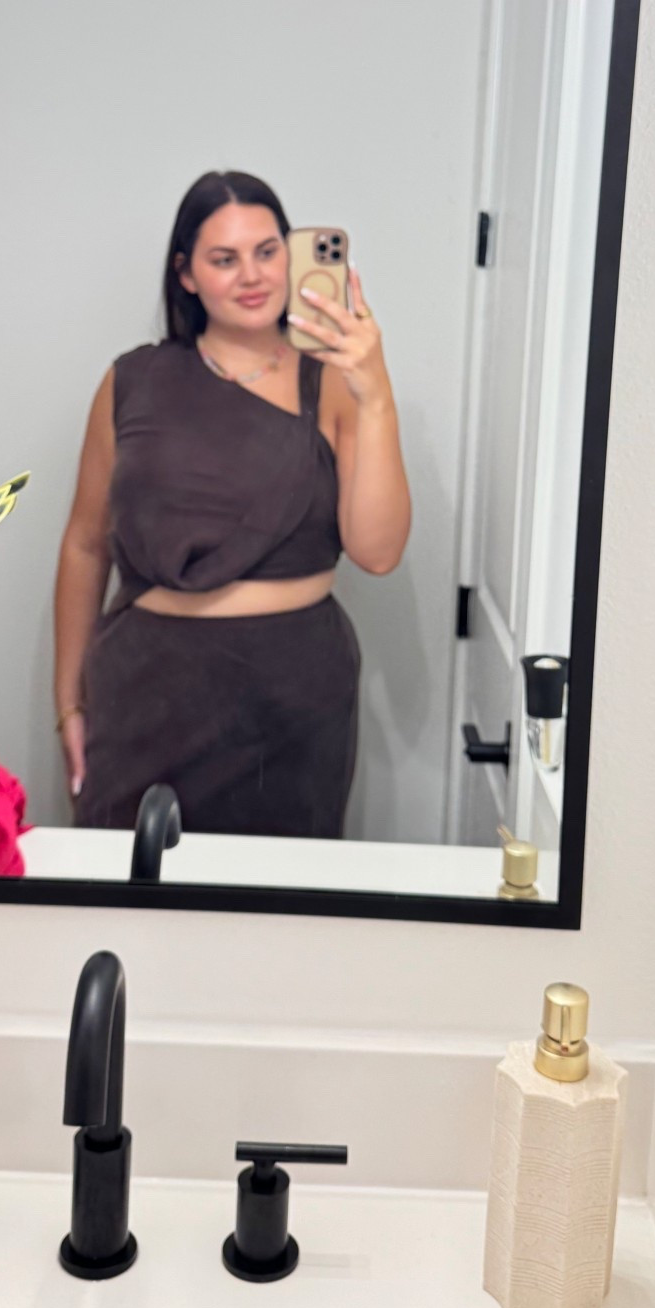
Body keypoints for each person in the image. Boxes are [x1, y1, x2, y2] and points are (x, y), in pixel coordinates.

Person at [53, 169, 411, 836]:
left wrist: (377, 394)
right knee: (127, 886)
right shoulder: (132, 380)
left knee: (279, 894)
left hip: (293, 696)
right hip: (145, 690)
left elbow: (378, 551)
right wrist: (68, 703)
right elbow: (84, 544)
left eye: (267, 251)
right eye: (224, 259)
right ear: (186, 274)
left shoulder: (333, 381)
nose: (252, 275)